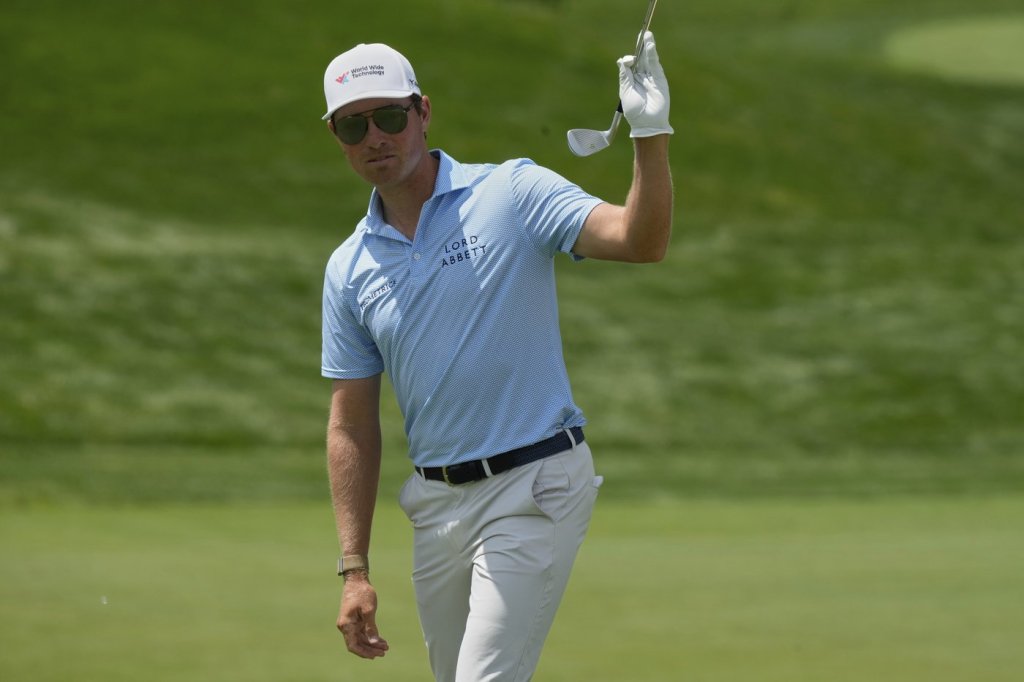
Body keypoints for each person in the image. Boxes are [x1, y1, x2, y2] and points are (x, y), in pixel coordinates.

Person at [320, 34, 673, 682]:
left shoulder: (511, 191)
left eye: (390, 116)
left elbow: (639, 239)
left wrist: (649, 133)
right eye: (353, 125)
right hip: (436, 510)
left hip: (534, 484)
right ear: (337, 138)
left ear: (423, 112)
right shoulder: (349, 267)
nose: (375, 137)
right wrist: (355, 569)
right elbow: (351, 427)